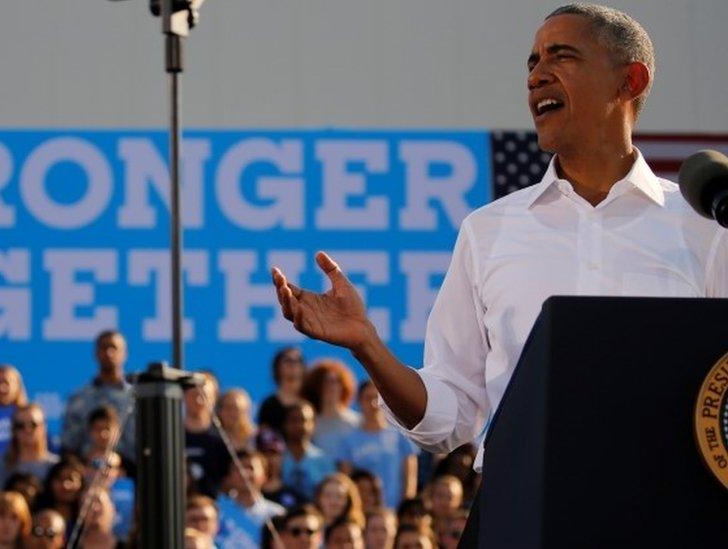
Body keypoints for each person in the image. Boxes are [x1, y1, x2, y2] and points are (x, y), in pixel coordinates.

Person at [271, 3, 728, 474]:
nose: (537, 76)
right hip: (524, 506)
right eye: (533, 62)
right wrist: (366, 344)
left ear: (630, 81)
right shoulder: (489, 230)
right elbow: (448, 420)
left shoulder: (705, 225)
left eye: (561, 56)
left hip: (667, 500)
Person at [338, 381, 419, 508]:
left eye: (377, 398)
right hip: (363, 511)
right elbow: (347, 482)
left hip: (394, 511)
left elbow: (410, 477)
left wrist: (406, 507)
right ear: (359, 402)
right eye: (367, 398)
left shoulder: (400, 435)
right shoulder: (348, 441)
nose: (373, 404)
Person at [61, 330, 136, 459]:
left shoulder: (136, 398)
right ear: (96, 353)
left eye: (114, 347)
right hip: (88, 473)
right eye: (104, 347)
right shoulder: (79, 398)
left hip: (130, 474)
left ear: (124, 354)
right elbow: (69, 446)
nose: (109, 353)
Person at [0, 404, 58, 490]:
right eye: (20, 426)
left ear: (43, 427)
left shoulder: (56, 467)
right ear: (13, 430)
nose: (27, 430)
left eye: (33, 424)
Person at [301, 359, 360, 458]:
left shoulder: (357, 421)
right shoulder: (310, 424)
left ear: (343, 386)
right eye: (324, 382)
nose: (330, 386)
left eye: (335, 381)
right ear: (316, 388)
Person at [183, 374, 230, 498]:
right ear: (183, 396)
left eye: (204, 396)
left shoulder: (223, 440)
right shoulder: (171, 437)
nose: (198, 400)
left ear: (214, 398)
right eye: (193, 395)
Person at [279, 401, 335, 502]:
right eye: (294, 420)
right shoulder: (277, 458)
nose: (300, 425)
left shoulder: (324, 460)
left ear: (313, 425)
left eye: (304, 420)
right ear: (285, 424)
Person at [256, 347, 307, 436]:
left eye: (297, 361)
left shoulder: (312, 399)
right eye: (288, 360)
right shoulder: (269, 405)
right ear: (278, 367)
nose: (293, 364)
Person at [34, 457, 83, 539]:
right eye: (59, 479)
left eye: (70, 479)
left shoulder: (85, 523)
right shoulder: (38, 518)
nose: (65, 485)